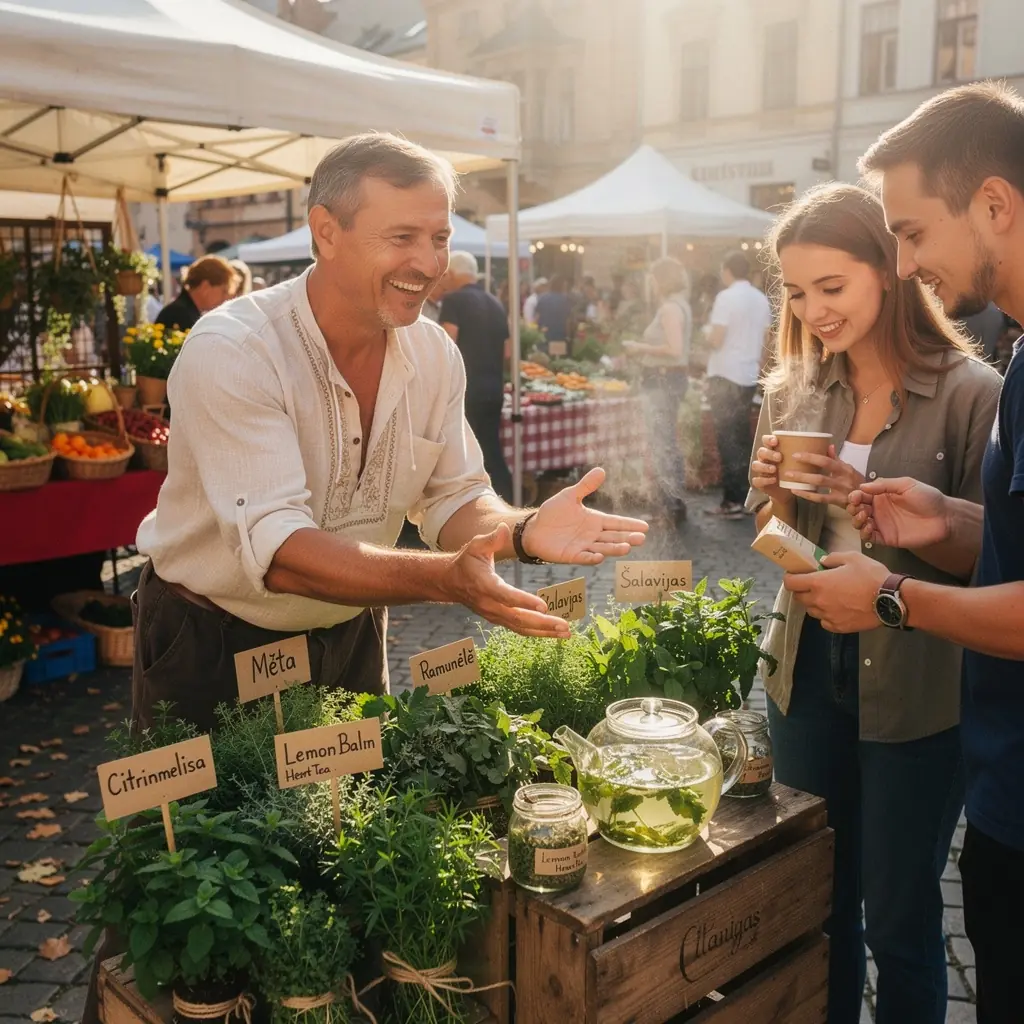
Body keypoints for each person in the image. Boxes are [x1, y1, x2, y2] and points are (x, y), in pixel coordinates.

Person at [131, 132, 648, 733]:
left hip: (348, 630)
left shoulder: (433, 352)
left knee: (355, 819)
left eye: (439, 239)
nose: (430, 264)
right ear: (326, 231)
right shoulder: (235, 350)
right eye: (402, 237)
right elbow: (280, 556)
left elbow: (453, 495)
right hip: (213, 639)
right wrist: (444, 580)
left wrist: (523, 529)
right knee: (206, 828)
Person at [776, 82, 1024, 1024]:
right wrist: (781, 496)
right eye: (799, 293)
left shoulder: (975, 389)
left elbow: (990, 570)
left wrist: (894, 591)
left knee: (901, 919)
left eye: (833, 286)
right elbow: (789, 549)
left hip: (925, 696)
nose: (816, 310)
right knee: (819, 901)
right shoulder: (801, 387)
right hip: (814, 671)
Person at [439, 250, 513, 502]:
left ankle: (471, 507)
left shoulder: (453, 301)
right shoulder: (495, 302)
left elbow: (447, 344)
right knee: (492, 449)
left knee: (465, 456)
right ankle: (508, 502)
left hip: (466, 390)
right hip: (495, 386)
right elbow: (508, 350)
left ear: (451, 274)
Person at [622, 257, 692, 522]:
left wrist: (638, 347)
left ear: (660, 280)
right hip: (669, 380)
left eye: (652, 278)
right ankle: (673, 504)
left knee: (662, 444)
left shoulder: (670, 309)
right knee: (667, 443)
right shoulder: (679, 305)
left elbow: (674, 350)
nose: (649, 284)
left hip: (662, 381)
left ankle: (668, 506)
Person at [706, 251, 772, 518]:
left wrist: (705, 337)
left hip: (725, 373)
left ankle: (732, 500)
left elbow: (716, 339)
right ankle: (747, 497)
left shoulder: (726, 297)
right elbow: (768, 341)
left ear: (727, 271)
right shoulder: (760, 298)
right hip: (748, 374)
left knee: (726, 438)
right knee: (743, 437)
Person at [155, 255, 236, 331]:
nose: (225, 298)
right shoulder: (181, 314)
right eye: (224, 291)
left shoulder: (185, 311)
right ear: (205, 287)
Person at [535, 273, 572, 350]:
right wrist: (568, 336)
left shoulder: (542, 298)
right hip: (559, 336)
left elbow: (537, 318)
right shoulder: (565, 300)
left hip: (544, 336)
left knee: (543, 359)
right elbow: (567, 321)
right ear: (562, 286)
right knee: (558, 359)